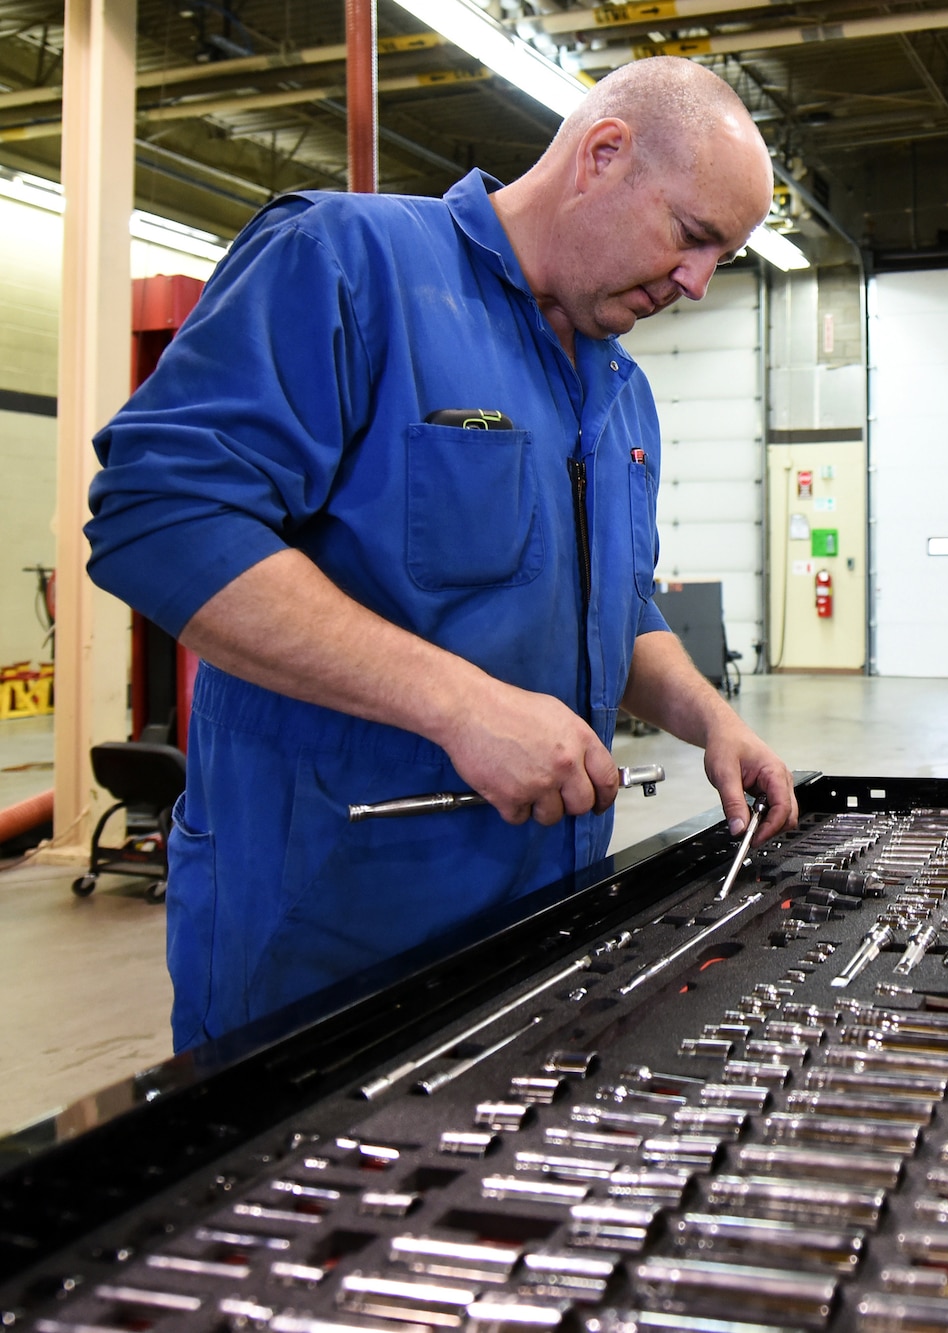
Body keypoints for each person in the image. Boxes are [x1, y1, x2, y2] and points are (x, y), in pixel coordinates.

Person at [85, 57, 797, 1051]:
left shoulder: (618, 390)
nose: (695, 282)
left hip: (543, 919)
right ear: (602, 155)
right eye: (690, 237)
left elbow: (610, 607)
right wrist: (460, 706)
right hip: (327, 932)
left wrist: (709, 718)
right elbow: (160, 515)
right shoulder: (344, 264)